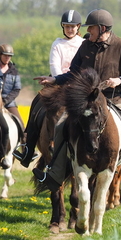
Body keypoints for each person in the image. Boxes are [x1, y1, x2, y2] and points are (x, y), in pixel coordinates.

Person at [32, 9, 121, 194]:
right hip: (87, 101)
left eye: (91, 28)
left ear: (102, 28)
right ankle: (55, 174)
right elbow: (73, 73)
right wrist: (55, 80)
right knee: (61, 126)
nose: (87, 31)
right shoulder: (85, 46)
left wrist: (119, 80)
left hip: (113, 99)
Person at [14, 10, 83, 167]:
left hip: (78, 88)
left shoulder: (83, 44)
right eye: (66, 26)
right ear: (62, 27)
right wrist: (61, 81)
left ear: (78, 27)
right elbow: (55, 67)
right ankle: (28, 148)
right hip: (58, 84)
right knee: (37, 103)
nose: (69, 29)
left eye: (72, 26)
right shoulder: (57, 43)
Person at [0, 44, 25, 129]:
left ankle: (23, 141)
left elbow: (16, 89)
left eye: (9, 56)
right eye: (5, 55)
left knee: (20, 124)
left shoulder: (14, 71)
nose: (7, 58)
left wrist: (5, 101)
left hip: (9, 102)